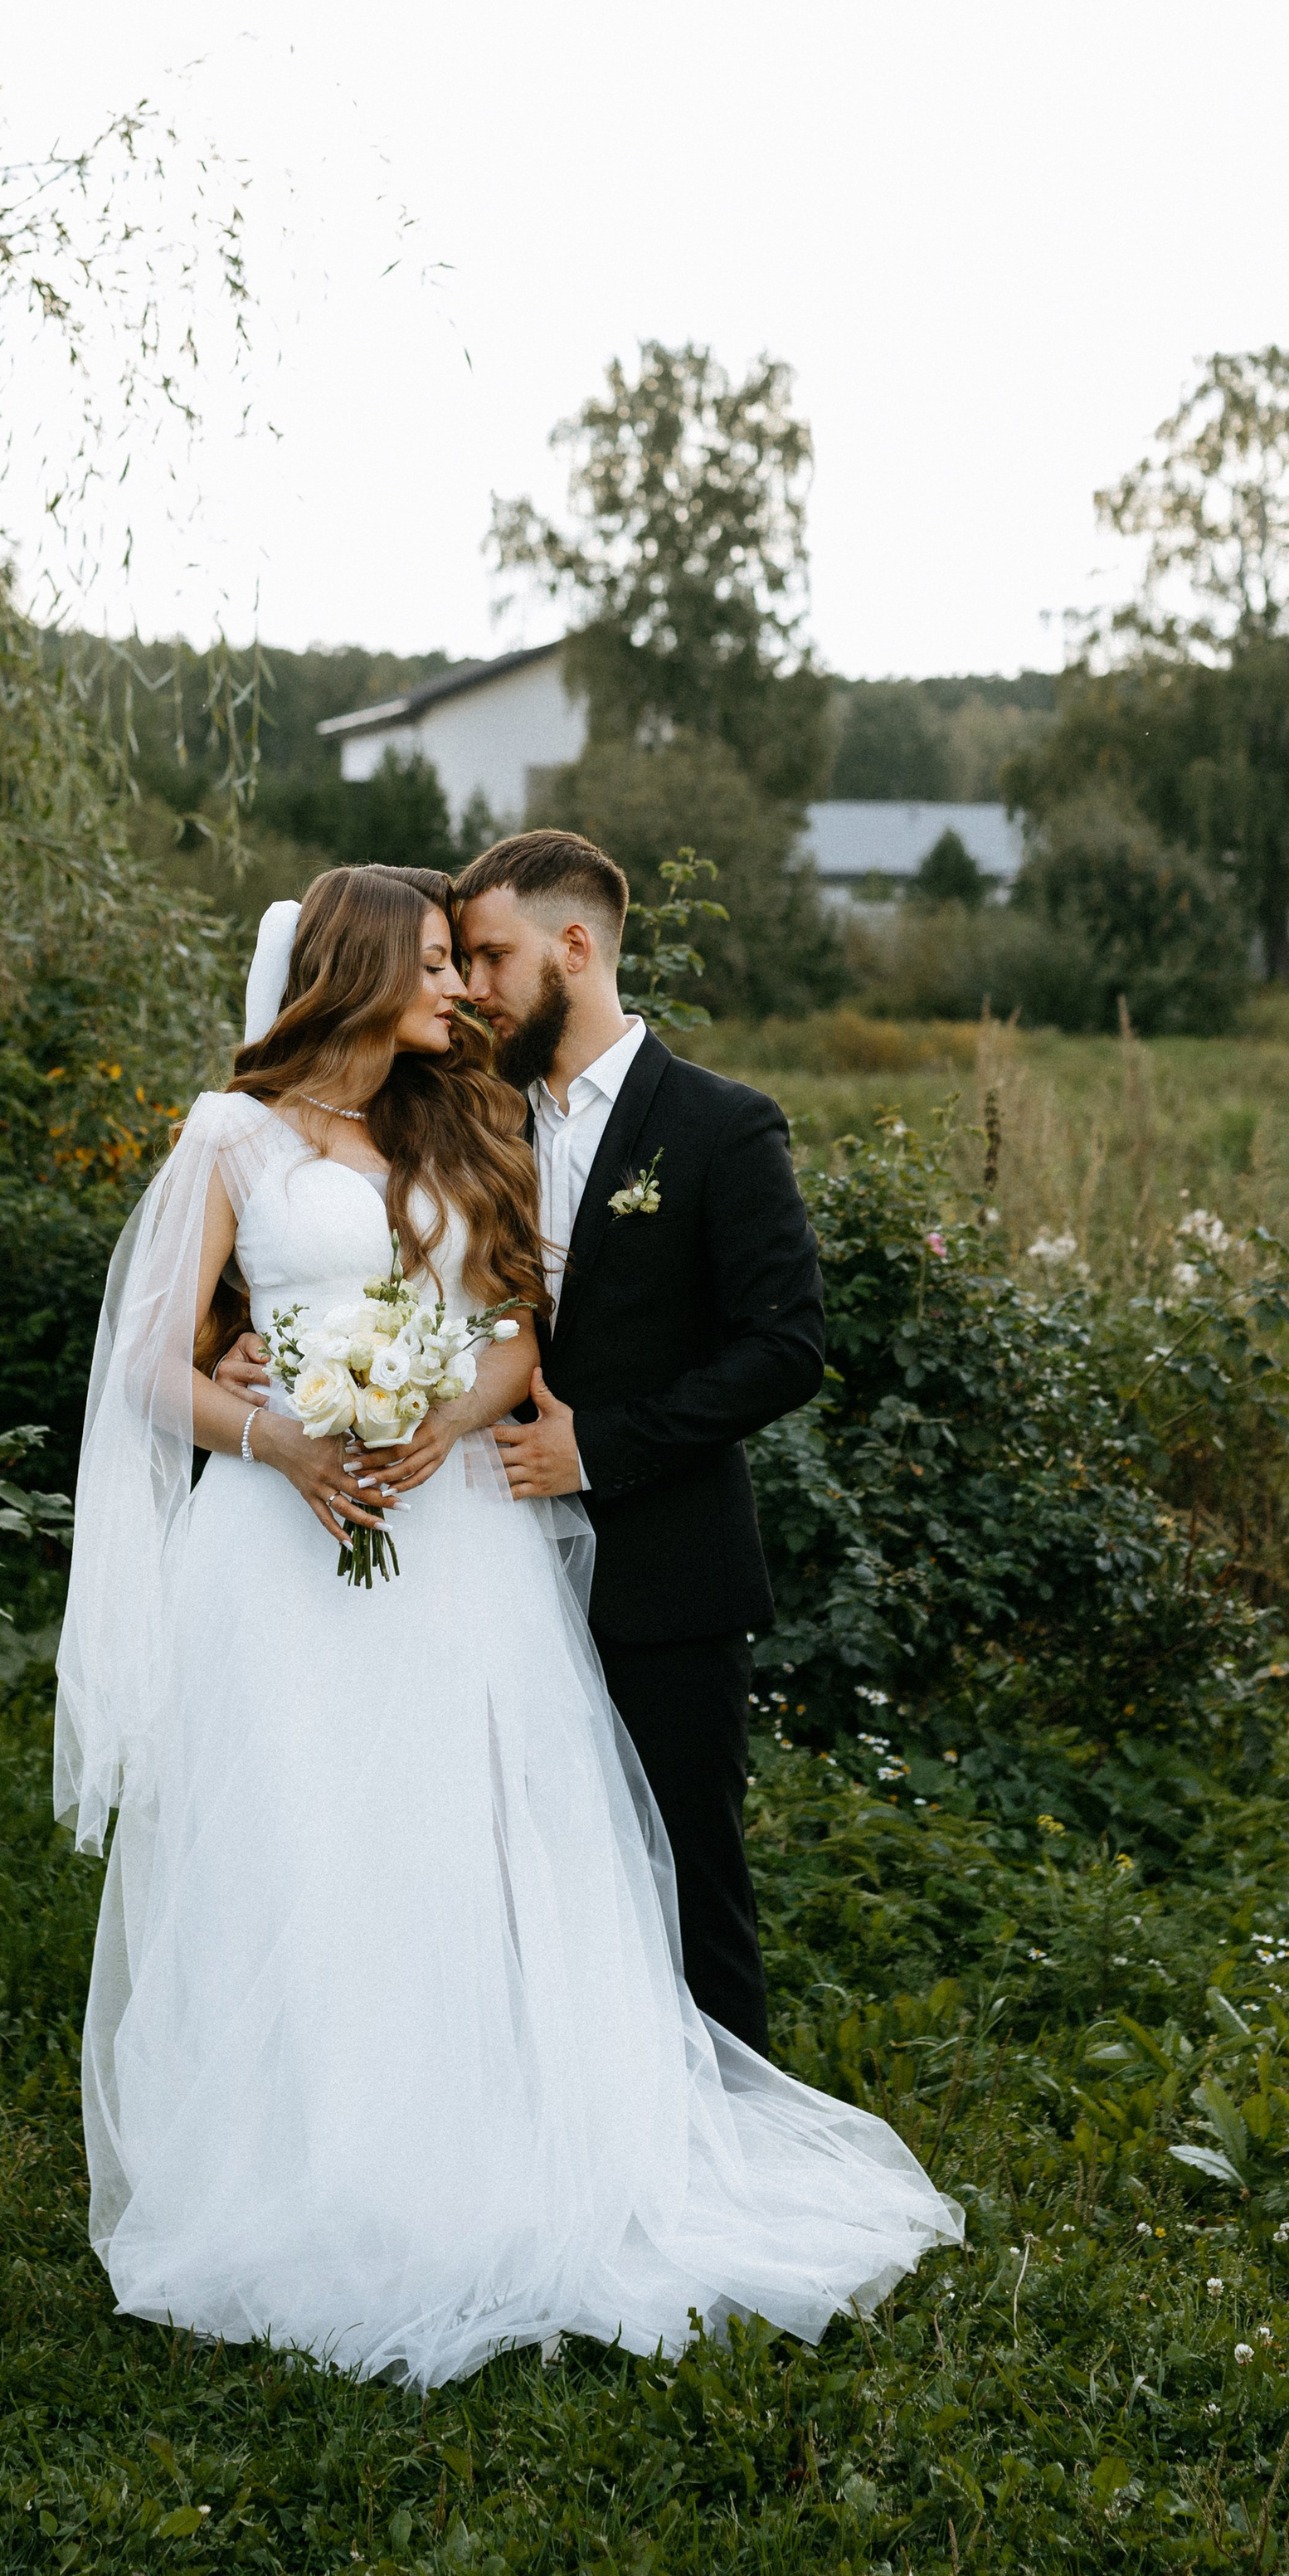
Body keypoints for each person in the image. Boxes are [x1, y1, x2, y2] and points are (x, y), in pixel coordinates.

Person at [56, 863, 956, 2387]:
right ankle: (302, 2162)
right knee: (304, 1846)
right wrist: (286, 1439)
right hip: (280, 1554)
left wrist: (433, 1420)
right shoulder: (231, 1137)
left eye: (470, 960)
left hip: (454, 1539)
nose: (463, 989)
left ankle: (486, 2145)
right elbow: (154, 1365)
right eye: (432, 961)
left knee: (461, 1842)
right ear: (353, 969)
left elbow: (510, 1334)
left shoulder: (451, 1122)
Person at [452, 827, 821, 2058]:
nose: (474, 985)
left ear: (575, 944)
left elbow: (786, 1348)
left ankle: (736, 2140)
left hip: (665, 1570)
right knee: (518, 1872)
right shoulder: (474, 1120)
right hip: (493, 1568)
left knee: (689, 1879)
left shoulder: (722, 1126)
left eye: (491, 955)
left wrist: (598, 1447)